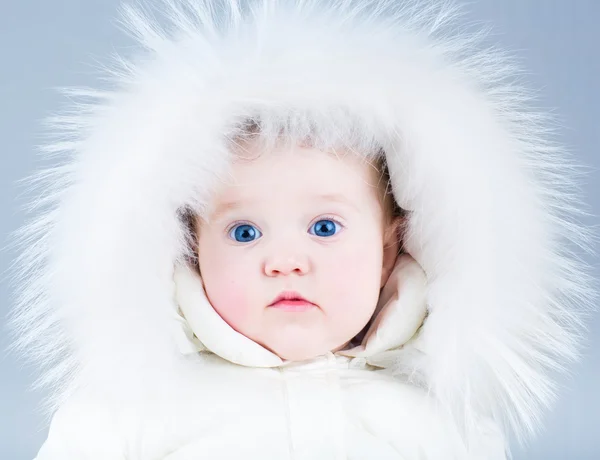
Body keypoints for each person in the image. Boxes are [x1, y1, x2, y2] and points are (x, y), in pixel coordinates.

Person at [10, 1, 595, 459]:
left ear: (391, 249)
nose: (286, 260)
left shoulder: (441, 419)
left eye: (324, 226)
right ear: (189, 251)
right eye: (244, 233)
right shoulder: (129, 409)